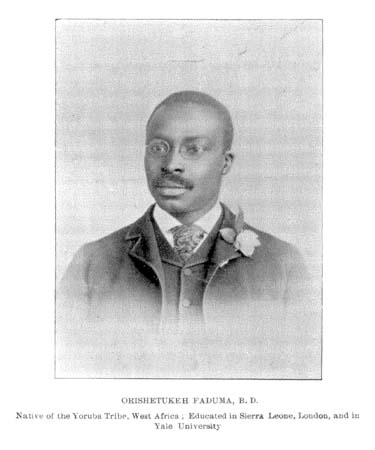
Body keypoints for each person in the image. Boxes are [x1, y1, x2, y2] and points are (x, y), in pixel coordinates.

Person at [56, 91, 320, 378]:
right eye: (159, 148)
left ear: (225, 162)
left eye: (193, 149)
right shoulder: (92, 261)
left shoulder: (283, 264)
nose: (171, 164)